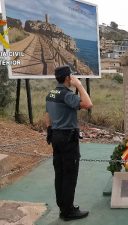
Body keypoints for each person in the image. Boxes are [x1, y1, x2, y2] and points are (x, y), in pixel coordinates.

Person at [45, 65, 93, 221]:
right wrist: (79, 85)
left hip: (56, 137)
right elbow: (88, 104)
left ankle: (63, 207)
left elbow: (48, 115)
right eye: (71, 76)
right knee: (70, 175)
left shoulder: (51, 93)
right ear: (67, 78)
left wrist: (50, 131)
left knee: (59, 173)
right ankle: (68, 212)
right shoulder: (67, 95)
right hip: (67, 139)